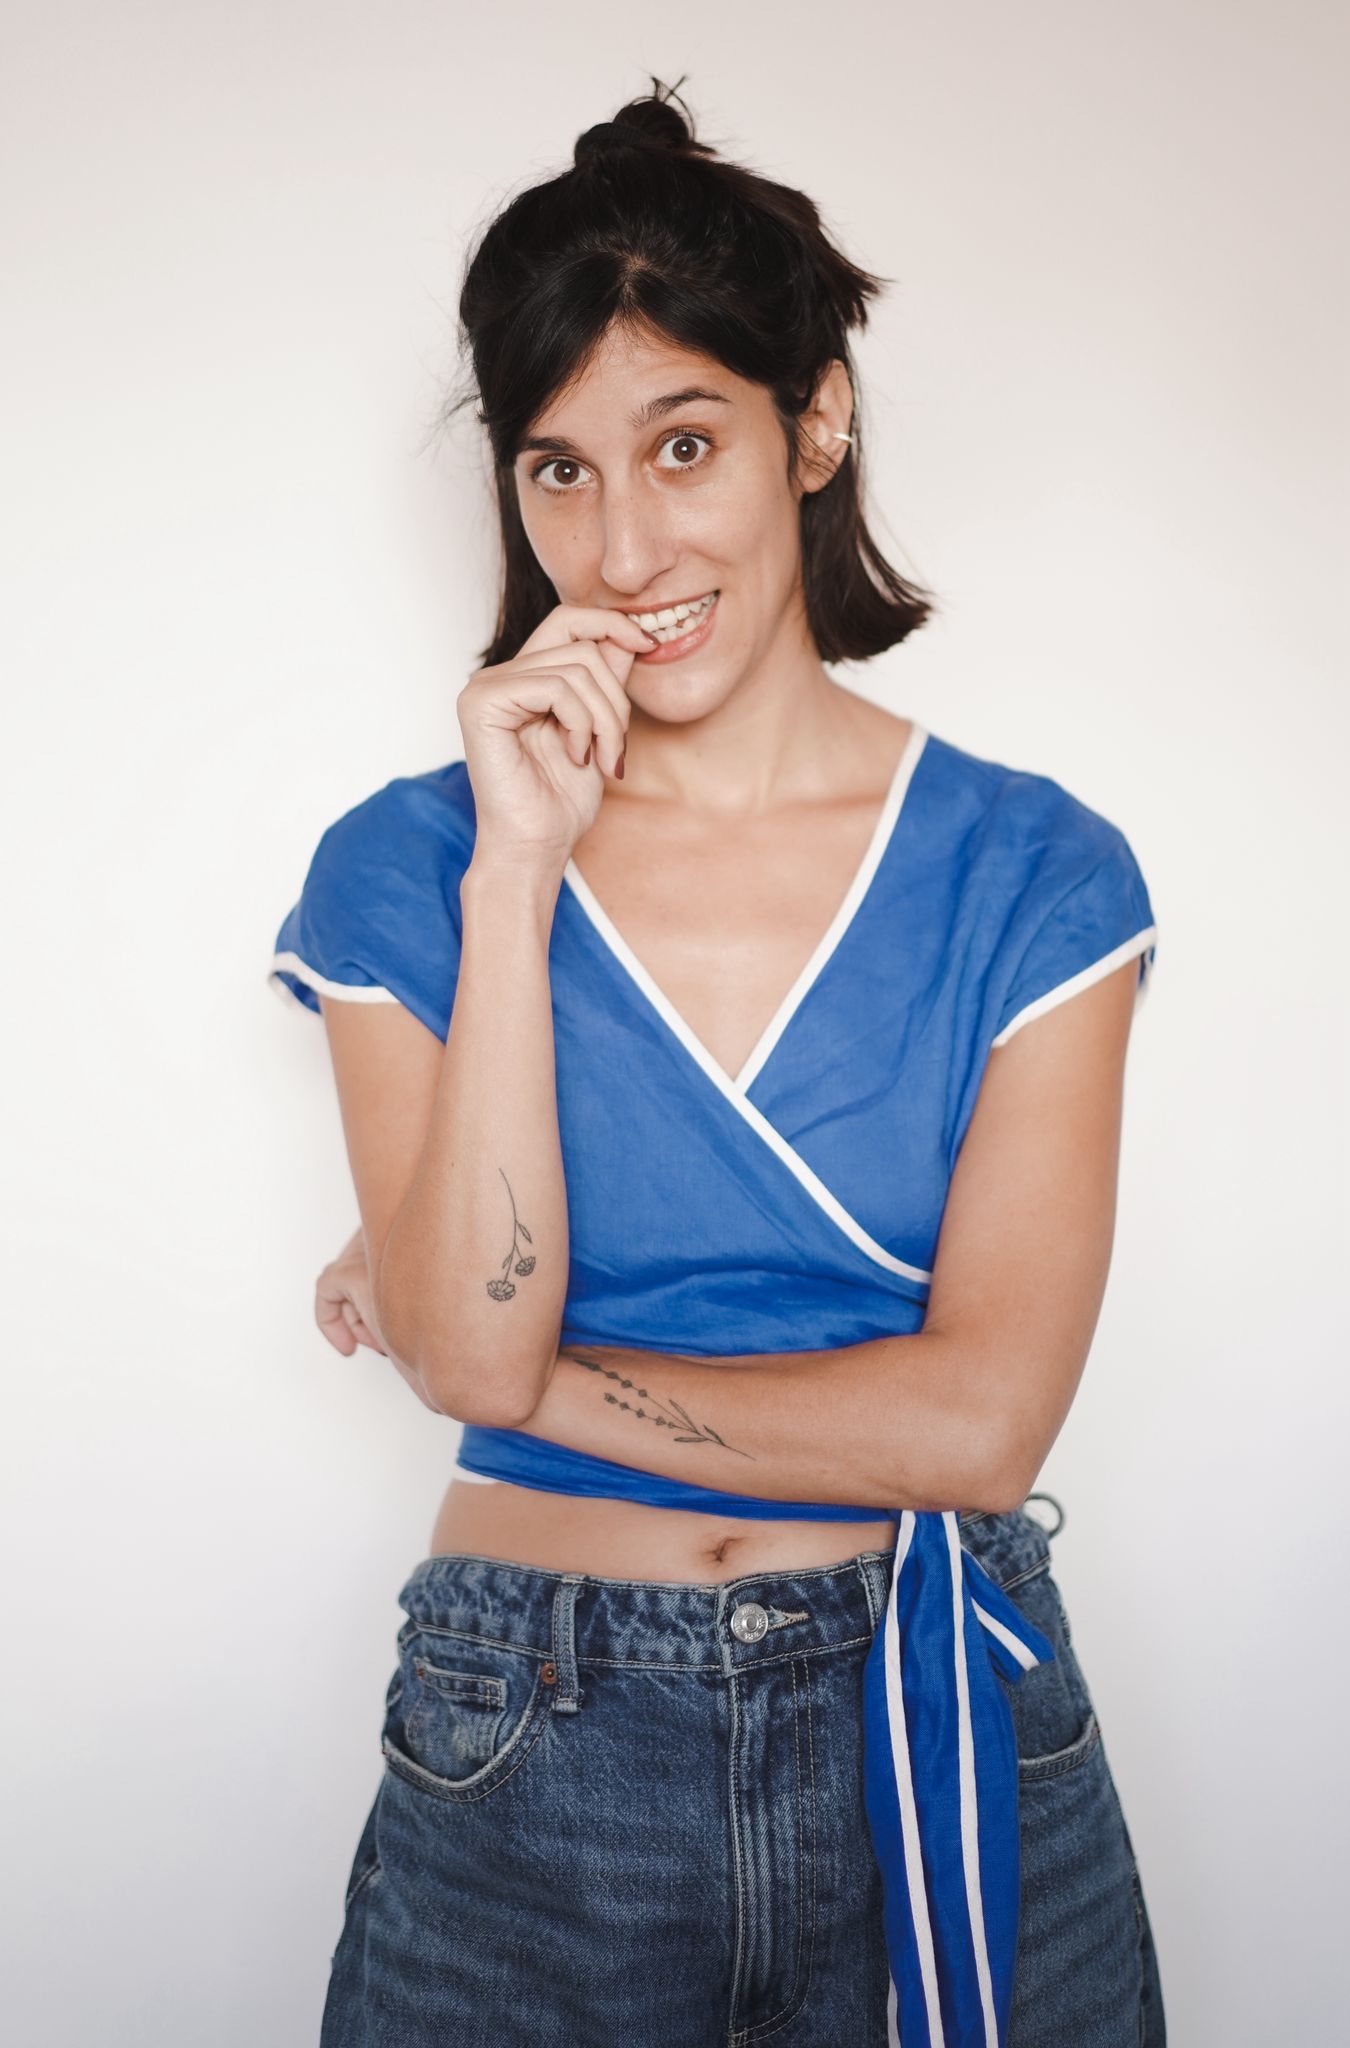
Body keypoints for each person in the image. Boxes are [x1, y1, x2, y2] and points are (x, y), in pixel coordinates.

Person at [270, 80, 1167, 2048]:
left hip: (937, 1718)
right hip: (532, 1737)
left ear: (812, 423)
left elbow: (979, 1428)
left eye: (684, 444)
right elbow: (472, 1345)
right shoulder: (412, 868)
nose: (621, 547)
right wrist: (516, 877)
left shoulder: (1036, 872)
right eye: (558, 469)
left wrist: (490, 1352)